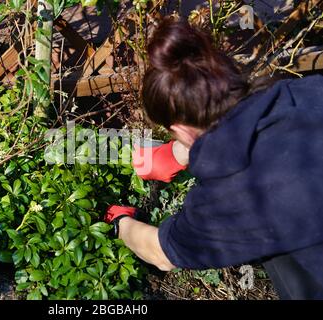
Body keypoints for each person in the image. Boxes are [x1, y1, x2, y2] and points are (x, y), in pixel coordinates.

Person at [104, 18, 323, 299]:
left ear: (179, 129)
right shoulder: (306, 91)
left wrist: (120, 223)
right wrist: (177, 153)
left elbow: (162, 252)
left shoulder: (236, 193)